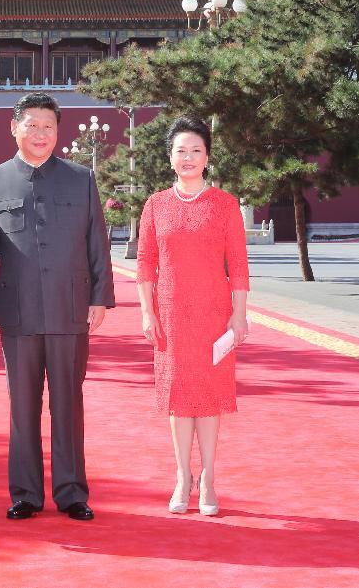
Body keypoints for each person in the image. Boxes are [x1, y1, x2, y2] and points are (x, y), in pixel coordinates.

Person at [0, 93, 115, 521]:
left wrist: (99, 296)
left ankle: (72, 492)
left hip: (71, 308)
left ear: (58, 131)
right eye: (32, 125)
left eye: (48, 126)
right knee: (22, 406)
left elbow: (97, 242)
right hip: (17, 312)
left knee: (69, 403)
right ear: (14, 128)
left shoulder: (80, 179)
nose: (40, 134)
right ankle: (26, 493)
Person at [136, 116, 249, 516]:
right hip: (170, 314)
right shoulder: (156, 204)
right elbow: (146, 263)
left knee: (209, 397)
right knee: (179, 398)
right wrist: (148, 313)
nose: (188, 158)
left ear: (207, 157)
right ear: (170, 158)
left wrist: (239, 316)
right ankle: (183, 476)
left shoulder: (225, 205)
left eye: (196, 151)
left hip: (214, 314)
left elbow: (237, 264)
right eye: (180, 151)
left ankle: (210, 479)